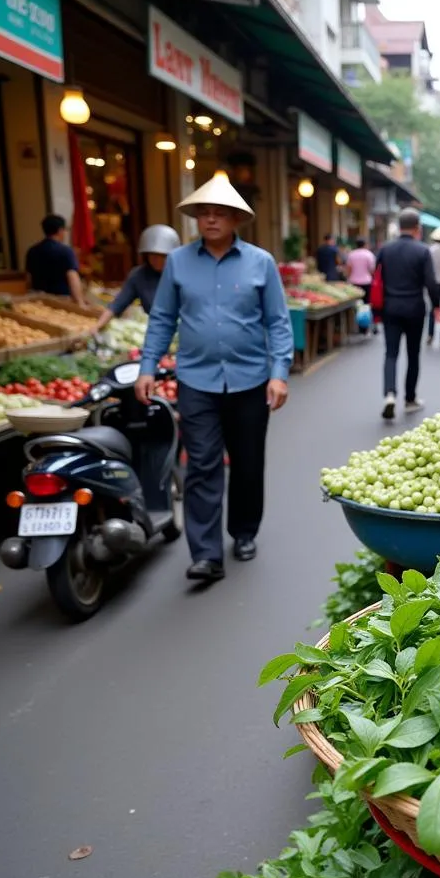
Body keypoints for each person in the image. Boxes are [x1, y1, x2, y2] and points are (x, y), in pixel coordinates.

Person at [135, 174, 294, 584]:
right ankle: (206, 554)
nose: (210, 219)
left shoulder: (260, 262)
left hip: (251, 380)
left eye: (219, 212)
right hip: (196, 381)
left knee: (247, 463)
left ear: (235, 218)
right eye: (203, 213)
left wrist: (279, 373)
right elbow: (162, 318)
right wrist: (148, 366)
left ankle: (243, 532)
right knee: (202, 464)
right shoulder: (178, 262)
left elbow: (278, 323)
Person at [377, 208, 439, 419]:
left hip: (390, 307)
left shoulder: (385, 249)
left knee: (391, 353)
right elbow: (430, 282)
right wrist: (437, 305)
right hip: (414, 308)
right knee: (413, 354)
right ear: (417, 228)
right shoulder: (422, 251)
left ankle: (389, 394)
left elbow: (377, 278)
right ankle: (410, 398)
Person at [94, 225, 181, 333]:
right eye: (152, 255)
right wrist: (97, 326)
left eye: (161, 255)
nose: (156, 259)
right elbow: (117, 305)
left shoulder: (184, 272)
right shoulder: (139, 275)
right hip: (159, 332)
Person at [25, 214, 85, 304]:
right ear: (60, 231)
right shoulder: (66, 251)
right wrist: (80, 302)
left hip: (39, 300)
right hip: (61, 300)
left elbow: (28, 279)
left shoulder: (32, 251)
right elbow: (73, 278)